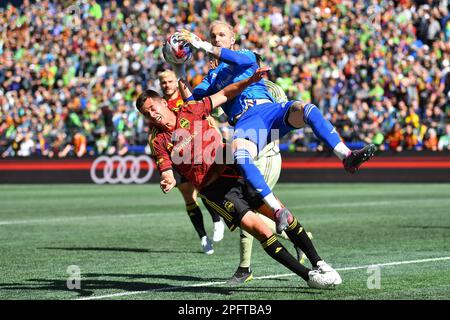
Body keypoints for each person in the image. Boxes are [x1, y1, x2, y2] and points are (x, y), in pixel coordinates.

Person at [176, 22, 374, 280]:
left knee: (306, 109)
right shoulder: (212, 78)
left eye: (221, 35)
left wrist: (202, 44)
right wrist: (179, 67)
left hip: (270, 112)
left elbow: (230, 56)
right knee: (239, 153)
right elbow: (194, 104)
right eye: (213, 35)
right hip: (248, 122)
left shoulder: (245, 57)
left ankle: (346, 156)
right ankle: (278, 211)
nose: (217, 38)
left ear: (233, 38)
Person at [135, 67, 342, 289]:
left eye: (152, 108)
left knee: (283, 214)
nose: (151, 114)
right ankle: (309, 277)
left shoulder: (190, 109)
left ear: (164, 103)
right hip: (215, 190)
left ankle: (320, 262)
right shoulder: (157, 140)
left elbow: (225, 94)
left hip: (236, 170)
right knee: (261, 231)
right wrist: (168, 180)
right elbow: (166, 169)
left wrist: (250, 80)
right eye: (146, 114)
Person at [148, 70, 225, 255]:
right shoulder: (157, 106)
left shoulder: (186, 96)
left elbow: (205, 115)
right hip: (175, 155)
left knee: (203, 189)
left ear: (177, 82)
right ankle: (203, 237)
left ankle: (216, 219)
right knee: (189, 197)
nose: (166, 85)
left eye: (169, 81)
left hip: (196, 150)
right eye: (163, 82)